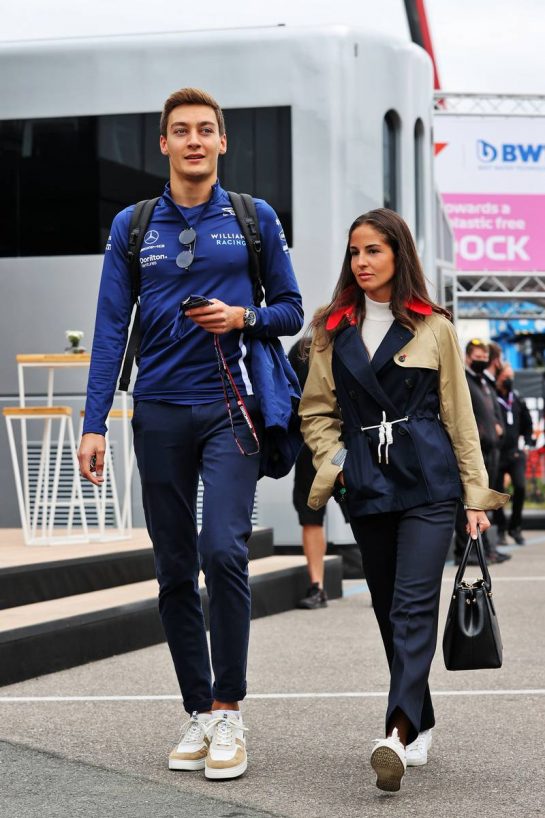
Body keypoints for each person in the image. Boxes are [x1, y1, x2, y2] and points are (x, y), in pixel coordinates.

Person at [78, 87, 303, 780]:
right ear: (164, 144)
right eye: (182, 131)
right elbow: (110, 326)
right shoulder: (133, 225)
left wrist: (242, 318)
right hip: (158, 411)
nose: (195, 140)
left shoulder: (253, 218)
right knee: (174, 566)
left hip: (232, 409)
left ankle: (230, 710)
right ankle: (199, 712)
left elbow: (291, 310)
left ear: (222, 142)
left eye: (206, 130)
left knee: (224, 551)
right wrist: (93, 423)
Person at [299, 208, 508, 793]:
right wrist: (338, 465)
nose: (361, 262)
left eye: (373, 251)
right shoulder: (331, 328)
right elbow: (316, 411)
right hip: (366, 481)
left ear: (399, 254)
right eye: (354, 252)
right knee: (388, 607)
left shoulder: (433, 326)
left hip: (428, 481)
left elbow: (460, 418)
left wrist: (475, 498)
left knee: (413, 605)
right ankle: (422, 717)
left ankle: (396, 731)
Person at [453, 340, 510, 565]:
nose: (482, 361)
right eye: (477, 357)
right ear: (468, 357)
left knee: (485, 502)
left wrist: (498, 427)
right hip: (475, 449)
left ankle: (486, 549)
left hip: (491, 449)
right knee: (469, 502)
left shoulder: (484, 382)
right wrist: (482, 432)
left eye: (484, 357)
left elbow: (493, 411)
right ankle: (466, 551)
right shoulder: (464, 381)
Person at [288, 338, 329, 609]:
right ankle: (317, 586)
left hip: (349, 446)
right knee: (310, 514)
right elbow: (288, 392)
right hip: (311, 447)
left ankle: (380, 584)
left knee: (364, 511)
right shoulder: (303, 349)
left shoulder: (358, 344)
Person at [494, 363, 534, 545]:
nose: (509, 380)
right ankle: (500, 529)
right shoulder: (492, 398)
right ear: (498, 377)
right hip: (497, 454)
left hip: (515, 454)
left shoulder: (517, 399)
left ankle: (515, 527)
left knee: (520, 487)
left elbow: (528, 424)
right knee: (497, 493)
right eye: (505, 377)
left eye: (511, 377)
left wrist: (526, 443)